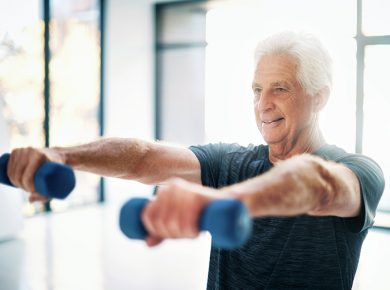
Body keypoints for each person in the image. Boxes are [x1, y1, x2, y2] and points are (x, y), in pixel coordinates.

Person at [6, 31, 384, 290]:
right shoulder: (232, 163)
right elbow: (145, 158)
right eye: (256, 90)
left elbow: (317, 184)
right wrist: (63, 155)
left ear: (319, 97)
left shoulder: (358, 171)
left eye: (280, 88)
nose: (263, 104)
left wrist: (229, 201)